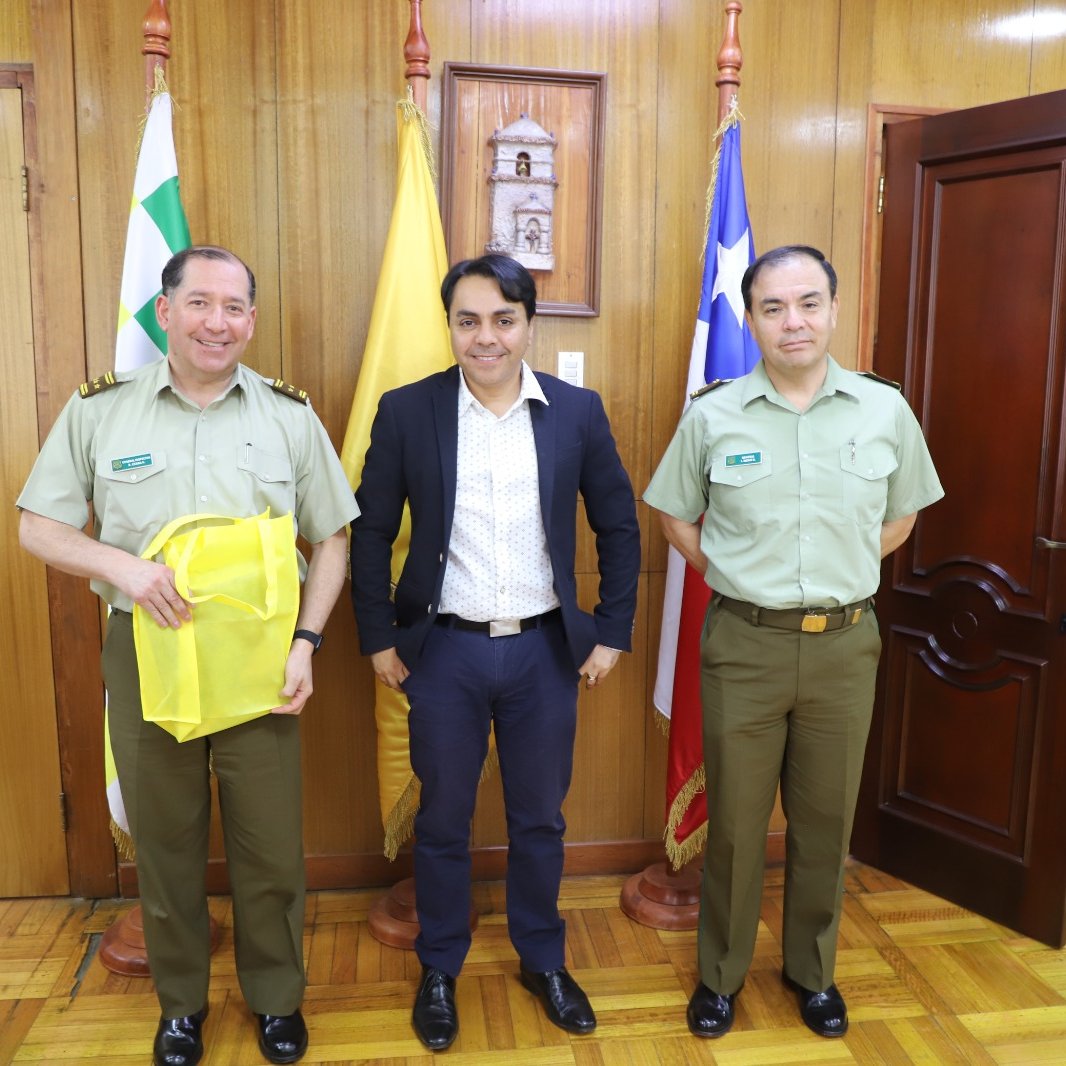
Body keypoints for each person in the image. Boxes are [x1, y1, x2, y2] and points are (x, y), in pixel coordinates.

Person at [17, 246, 358, 1066]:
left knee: (269, 848)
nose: (218, 322)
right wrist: (124, 568)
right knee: (167, 848)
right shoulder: (102, 412)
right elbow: (38, 525)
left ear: (251, 320)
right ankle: (181, 1007)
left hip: (261, 662)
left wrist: (307, 642)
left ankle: (276, 1000)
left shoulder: (287, 413)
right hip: (148, 654)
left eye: (235, 307)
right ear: (164, 312)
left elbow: (335, 538)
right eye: (200, 303)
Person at [644, 245, 944, 1041]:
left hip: (846, 646)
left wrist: (842, 567)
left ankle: (811, 973)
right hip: (745, 644)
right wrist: (738, 572)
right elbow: (674, 513)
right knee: (737, 827)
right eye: (773, 308)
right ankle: (719, 978)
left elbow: (905, 512)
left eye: (808, 303)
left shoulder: (884, 410)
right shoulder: (714, 414)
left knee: (824, 823)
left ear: (834, 309)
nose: (793, 321)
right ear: (751, 320)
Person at [350, 253, 640, 1052]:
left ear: (528, 324)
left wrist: (612, 630)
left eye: (503, 319)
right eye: (468, 320)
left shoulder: (576, 412)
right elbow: (370, 535)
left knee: (538, 820)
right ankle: (439, 967)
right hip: (442, 655)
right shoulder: (408, 412)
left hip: (546, 655)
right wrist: (376, 638)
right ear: (449, 326)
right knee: (442, 821)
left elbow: (617, 525)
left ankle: (542, 960)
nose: (486, 337)